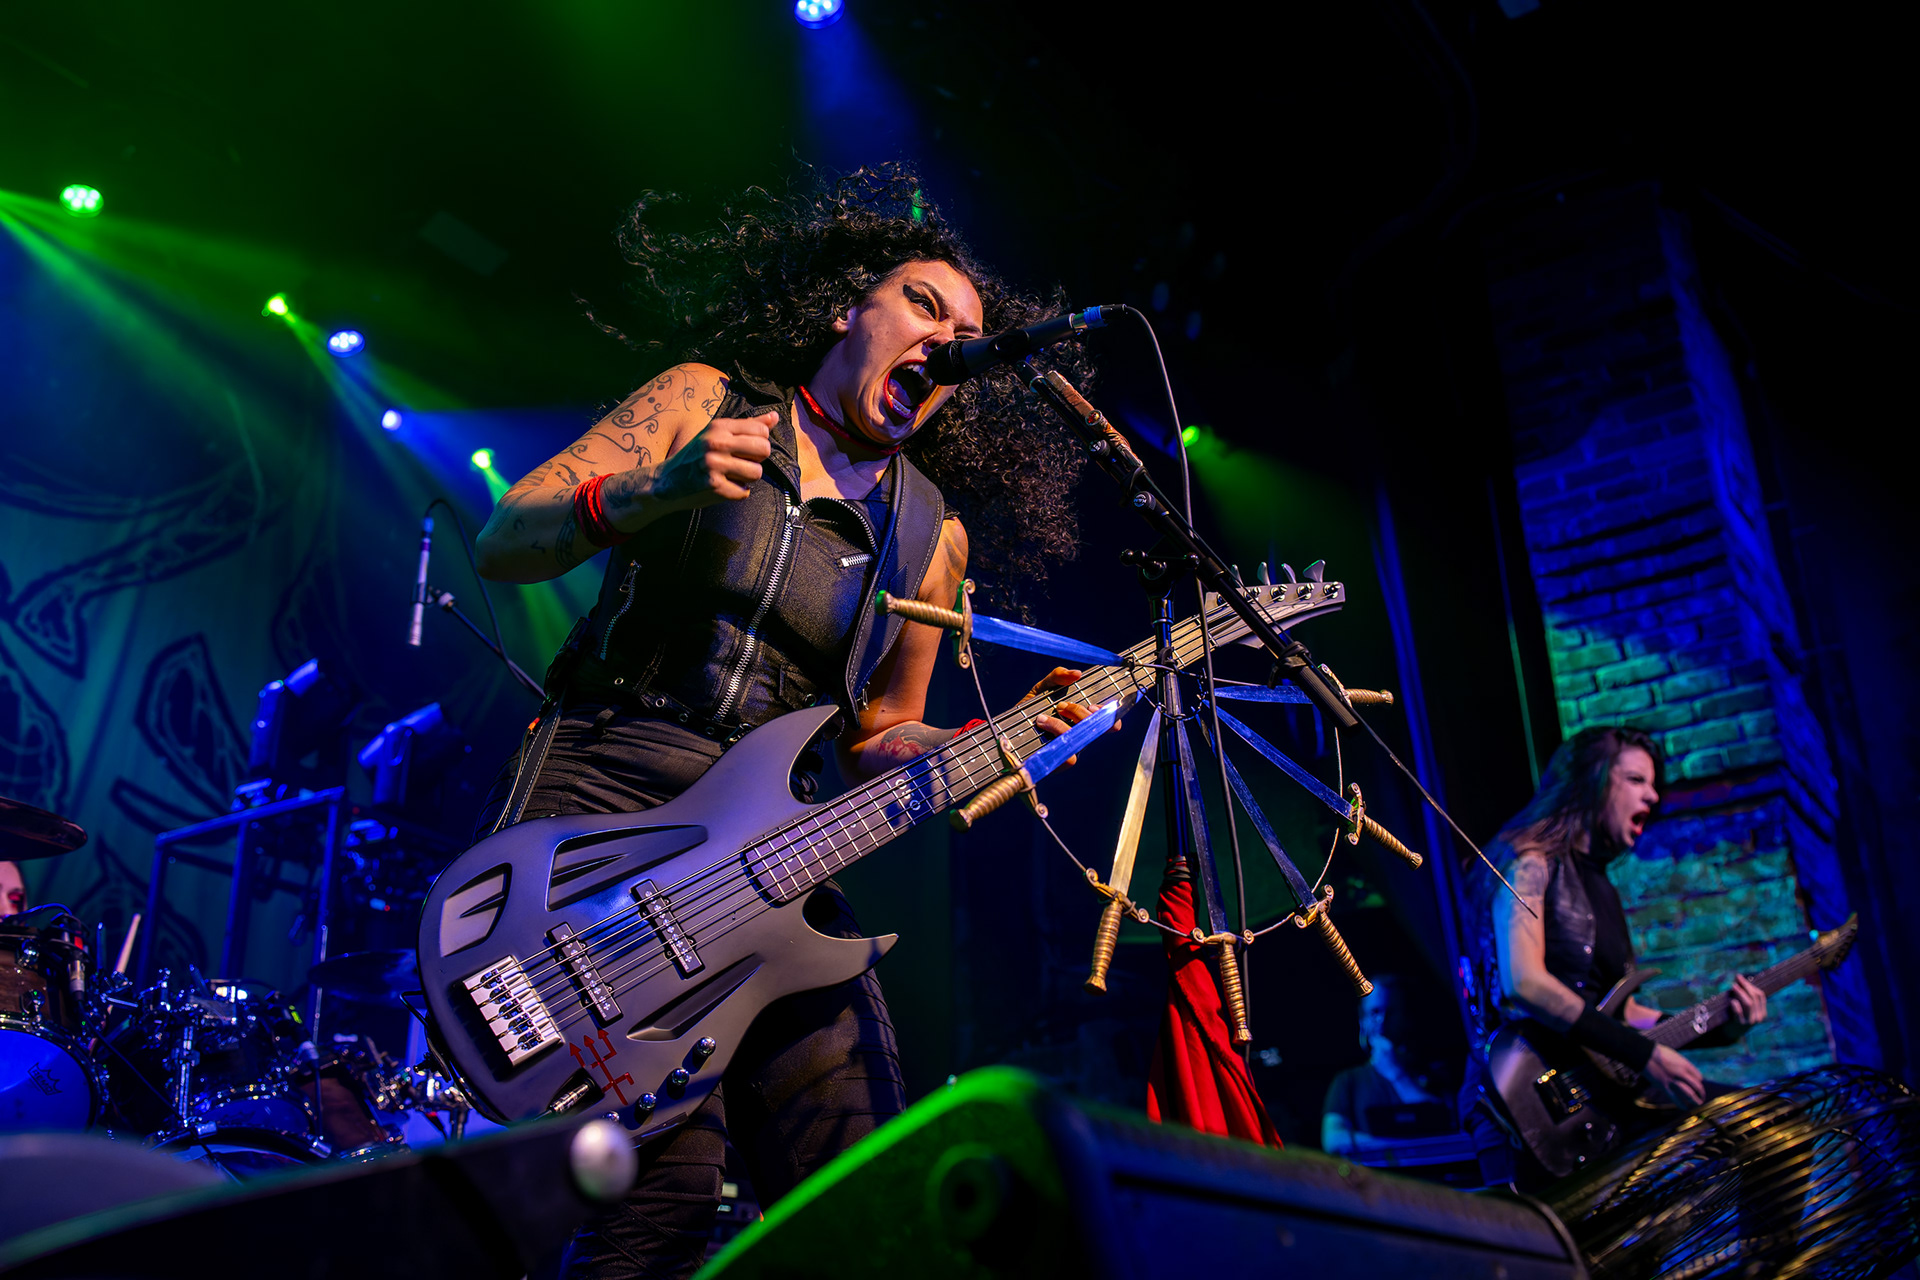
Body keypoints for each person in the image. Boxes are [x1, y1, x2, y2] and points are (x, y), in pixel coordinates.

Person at [471, 165, 1098, 1279]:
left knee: (863, 1185)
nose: (947, 341)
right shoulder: (705, 399)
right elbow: (504, 538)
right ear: (846, 311)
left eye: (967, 337)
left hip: (767, 852)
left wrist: (986, 745)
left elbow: (878, 735)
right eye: (923, 304)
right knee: (657, 1196)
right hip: (607, 796)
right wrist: (649, 491)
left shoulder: (931, 534)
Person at [1461, 726, 1767, 1188]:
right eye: (1636, 780)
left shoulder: (1601, 885)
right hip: (1526, 1101)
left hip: (1595, 1091)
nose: (1653, 796)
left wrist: (1724, 1026)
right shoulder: (1530, 861)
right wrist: (1645, 1056)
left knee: (1769, 1123)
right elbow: (1524, 981)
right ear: (1591, 780)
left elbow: (1625, 1012)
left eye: (1654, 785)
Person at [1321, 975, 1449, 1156]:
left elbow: (1443, 1122)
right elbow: (1333, 1139)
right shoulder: (1348, 1081)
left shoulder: (1434, 1072)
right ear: (1363, 1021)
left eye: (1391, 1012)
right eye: (1374, 1012)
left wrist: (1396, 1074)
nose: (1382, 1020)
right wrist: (1395, 1149)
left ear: (1405, 1017)